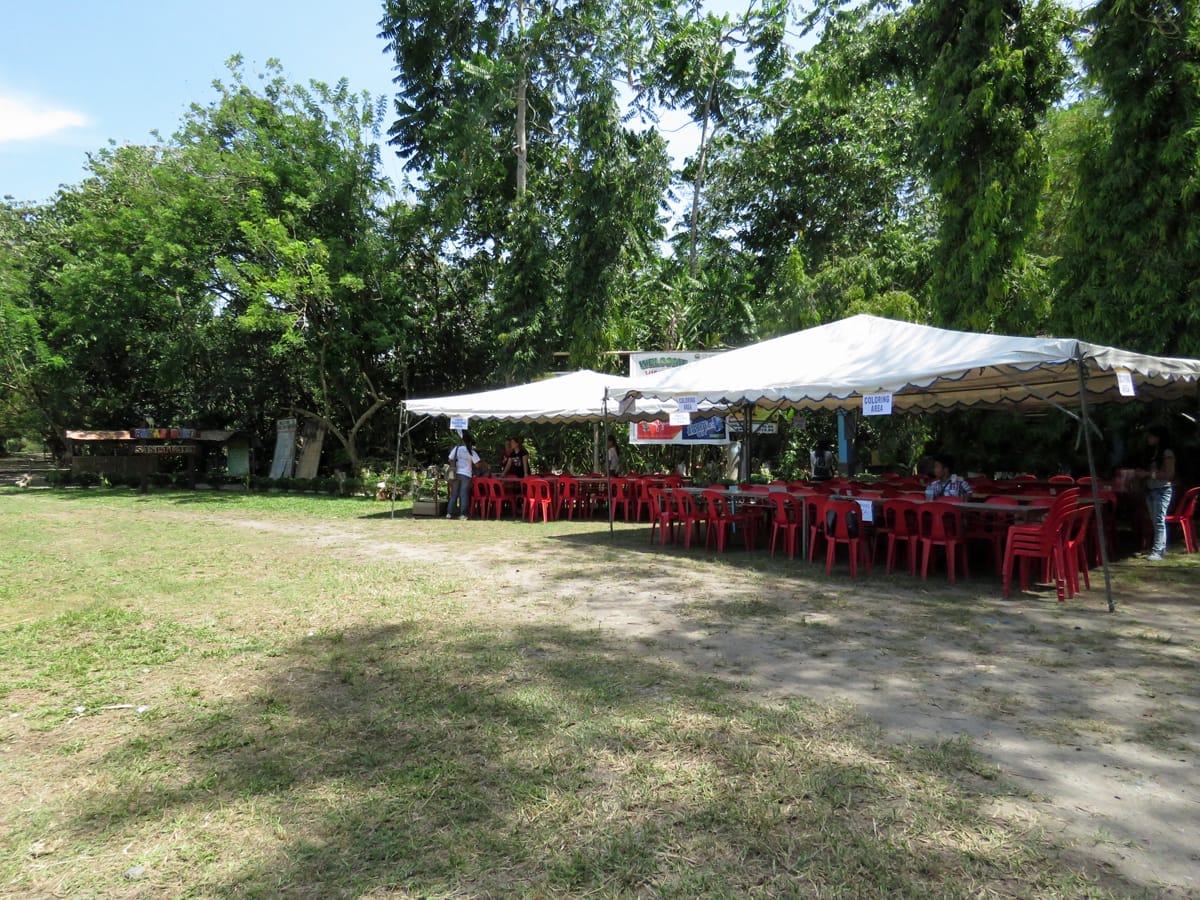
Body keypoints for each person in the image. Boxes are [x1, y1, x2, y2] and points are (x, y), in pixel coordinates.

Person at [1135, 425, 1175, 560]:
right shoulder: (1152, 453)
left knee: (1158, 521)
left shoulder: (1167, 453)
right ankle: (1159, 548)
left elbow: (1169, 474)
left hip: (1162, 490)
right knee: (1154, 521)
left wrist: (1147, 474)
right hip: (1150, 489)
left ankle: (1157, 551)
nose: (1149, 438)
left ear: (1158, 438)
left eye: (1151, 436)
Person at [446, 431, 480, 520]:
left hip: (456, 473)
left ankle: (449, 513)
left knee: (454, 494)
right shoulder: (471, 451)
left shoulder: (456, 449)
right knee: (464, 495)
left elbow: (449, 459)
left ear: (462, 440)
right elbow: (477, 464)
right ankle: (462, 514)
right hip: (466, 475)